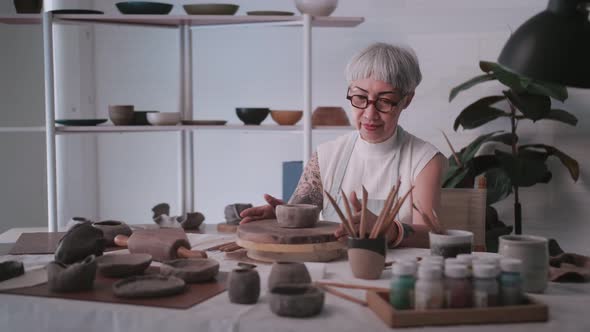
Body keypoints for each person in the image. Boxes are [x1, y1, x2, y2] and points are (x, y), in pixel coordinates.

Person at [240, 42, 446, 248]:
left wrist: (389, 229)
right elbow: (301, 215)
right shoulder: (326, 155)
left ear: (406, 100)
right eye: (360, 97)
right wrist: (280, 215)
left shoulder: (424, 160)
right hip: (329, 267)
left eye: (385, 101)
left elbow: (430, 234)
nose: (369, 114)